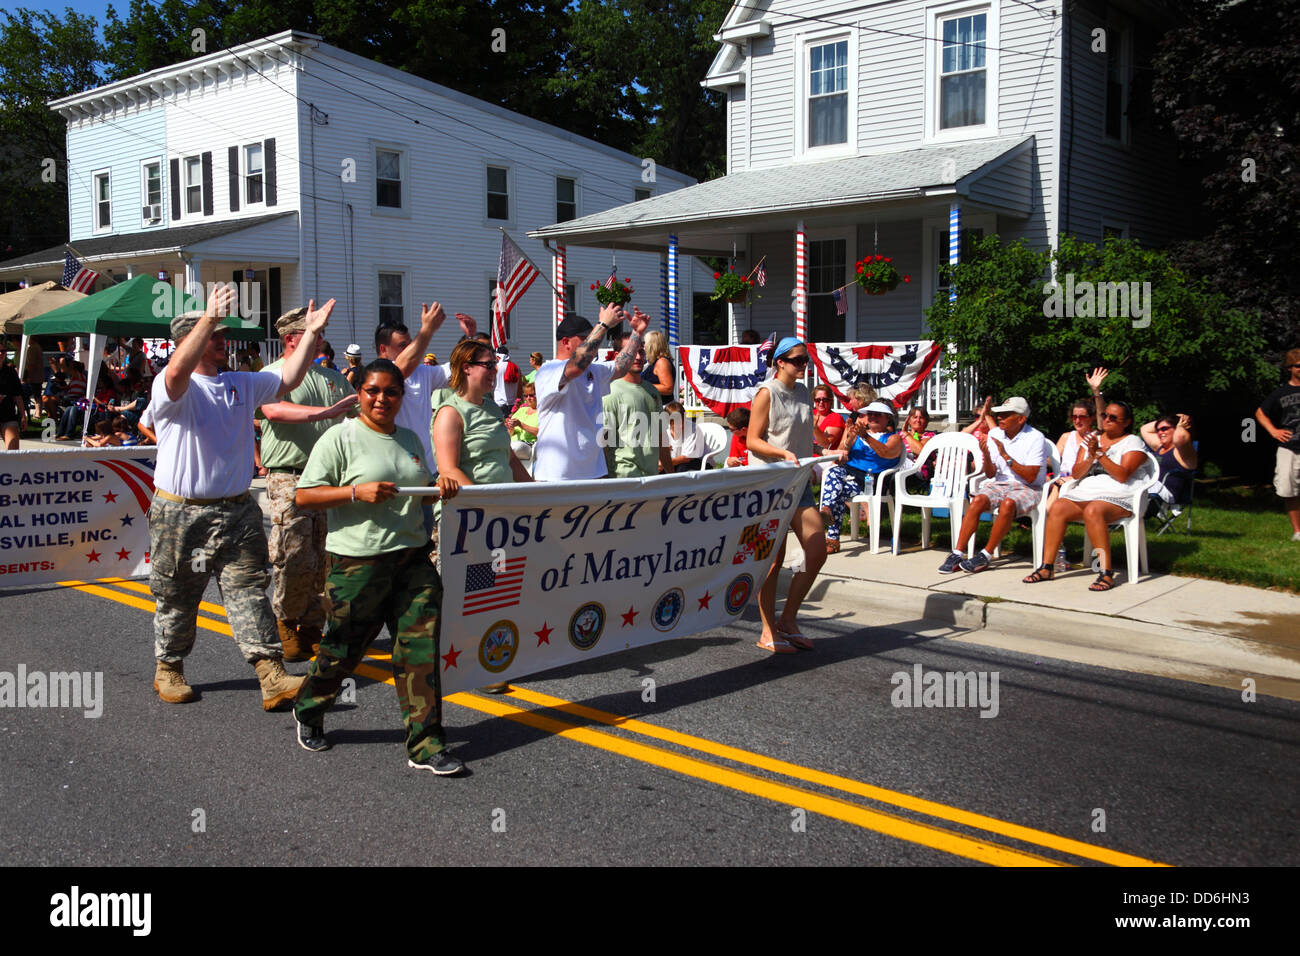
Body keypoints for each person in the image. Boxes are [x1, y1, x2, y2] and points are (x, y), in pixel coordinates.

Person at [147, 285, 331, 709]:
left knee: (249, 590)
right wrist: (207, 317)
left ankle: (271, 674)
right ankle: (169, 667)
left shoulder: (239, 383)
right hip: (182, 513)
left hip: (237, 510)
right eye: (214, 335)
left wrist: (310, 335)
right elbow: (176, 375)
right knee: (177, 595)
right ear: (188, 343)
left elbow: (289, 378)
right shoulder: (172, 386)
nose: (222, 340)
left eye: (220, 333)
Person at [293, 359, 465, 774]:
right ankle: (309, 706)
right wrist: (355, 492)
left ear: (402, 397)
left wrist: (439, 489)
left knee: (420, 650)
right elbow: (304, 496)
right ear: (360, 392)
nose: (381, 399)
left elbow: (419, 494)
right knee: (343, 648)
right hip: (358, 563)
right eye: (373, 390)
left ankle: (425, 744)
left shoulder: (409, 438)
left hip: (411, 559)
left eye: (391, 392)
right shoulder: (340, 437)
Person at [257, 307, 361, 662]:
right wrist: (326, 413)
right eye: (313, 332)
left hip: (330, 478)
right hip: (290, 475)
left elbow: (357, 412)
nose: (321, 337)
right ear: (291, 338)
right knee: (295, 552)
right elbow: (274, 410)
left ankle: (315, 625)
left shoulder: (330, 377)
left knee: (328, 556)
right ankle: (286, 621)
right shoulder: (271, 375)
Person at [748, 337, 840, 653]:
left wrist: (828, 452)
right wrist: (780, 453)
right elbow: (752, 440)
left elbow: (802, 439)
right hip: (770, 487)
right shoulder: (766, 393)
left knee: (817, 550)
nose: (804, 365)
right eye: (798, 360)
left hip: (799, 485)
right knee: (771, 562)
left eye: (806, 360)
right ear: (781, 362)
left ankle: (788, 619)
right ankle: (767, 629)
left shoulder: (803, 393)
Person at [1024, 401, 1150, 590]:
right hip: (1088, 490)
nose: (1107, 420)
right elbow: (1077, 473)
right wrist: (1090, 456)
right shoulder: (1092, 439)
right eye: (1105, 415)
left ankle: (1105, 572)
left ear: (1126, 422)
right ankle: (1047, 567)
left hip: (1121, 494)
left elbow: (1122, 475)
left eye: (1113, 418)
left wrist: (1100, 455)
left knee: (1093, 510)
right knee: (1058, 507)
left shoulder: (1133, 442)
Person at [533, 305, 648, 481]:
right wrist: (602, 325)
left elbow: (621, 366)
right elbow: (576, 366)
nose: (594, 341)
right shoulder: (548, 370)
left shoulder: (593, 369)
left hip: (594, 472)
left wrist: (637, 333)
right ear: (566, 342)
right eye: (585, 338)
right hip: (558, 475)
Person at [938, 396, 1048, 574]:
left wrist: (1005, 456)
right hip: (1000, 483)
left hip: (1028, 487)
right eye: (999, 414)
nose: (1000, 417)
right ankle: (957, 552)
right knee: (978, 499)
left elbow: (1030, 476)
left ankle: (985, 555)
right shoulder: (995, 434)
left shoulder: (1035, 438)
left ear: (1021, 419)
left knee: (1008, 504)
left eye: (1006, 414)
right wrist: (986, 455)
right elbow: (990, 474)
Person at [819, 395, 903, 553]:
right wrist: (849, 437)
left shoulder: (893, 438)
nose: (872, 417)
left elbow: (886, 453)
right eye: (870, 414)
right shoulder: (859, 434)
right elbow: (843, 455)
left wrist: (866, 437)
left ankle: (832, 538)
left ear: (888, 418)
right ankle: (826, 510)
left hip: (872, 481)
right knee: (833, 472)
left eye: (877, 414)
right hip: (849, 476)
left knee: (838, 491)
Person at [603, 346, 672, 478]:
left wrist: (671, 476)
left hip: (652, 477)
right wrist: (607, 481)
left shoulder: (652, 391)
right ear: (618, 355)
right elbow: (603, 442)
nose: (639, 357)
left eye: (641, 351)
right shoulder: (609, 392)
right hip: (623, 478)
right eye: (633, 352)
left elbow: (661, 437)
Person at [1254, 348, 1300, 542]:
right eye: (1298, 365)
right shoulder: (1281, 393)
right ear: (1290, 368)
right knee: (1288, 489)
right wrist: (1273, 431)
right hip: (1289, 447)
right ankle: (1298, 531)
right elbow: (1260, 413)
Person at [1139, 412, 1197, 517]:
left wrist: (1179, 424)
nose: (1160, 432)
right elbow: (1144, 429)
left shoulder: (1183, 452)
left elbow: (1180, 437)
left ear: (1176, 429)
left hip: (1166, 492)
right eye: (1158, 430)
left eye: (1164, 429)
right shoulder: (1160, 446)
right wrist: (1174, 417)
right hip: (1151, 486)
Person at [504, 379, 539, 460]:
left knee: (514, 447)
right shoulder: (522, 410)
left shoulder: (543, 412)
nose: (528, 398)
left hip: (529, 444)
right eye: (525, 396)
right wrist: (510, 427)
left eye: (531, 395)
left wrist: (521, 425)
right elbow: (510, 433)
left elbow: (542, 433)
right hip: (513, 442)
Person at [664, 400, 703, 472]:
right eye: (676, 423)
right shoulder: (664, 430)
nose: (681, 425)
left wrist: (665, 463)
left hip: (697, 461)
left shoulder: (693, 428)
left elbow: (687, 458)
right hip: (676, 461)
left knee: (681, 469)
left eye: (682, 421)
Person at [1, 345, 25, 450]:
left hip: (8, 415)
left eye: (3, 351)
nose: (1, 353)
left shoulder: (10, 372)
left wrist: (23, 415)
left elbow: (18, 396)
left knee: (13, 451)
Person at [642, 330, 675, 401]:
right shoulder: (654, 362)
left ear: (652, 345)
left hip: (661, 407)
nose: (643, 345)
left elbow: (668, 388)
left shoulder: (662, 362)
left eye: (645, 343)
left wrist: (642, 385)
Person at [492, 346, 522, 416]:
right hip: (512, 403)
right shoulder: (516, 367)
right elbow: (520, 387)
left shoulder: (495, 367)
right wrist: (519, 402)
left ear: (497, 356)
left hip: (499, 402)